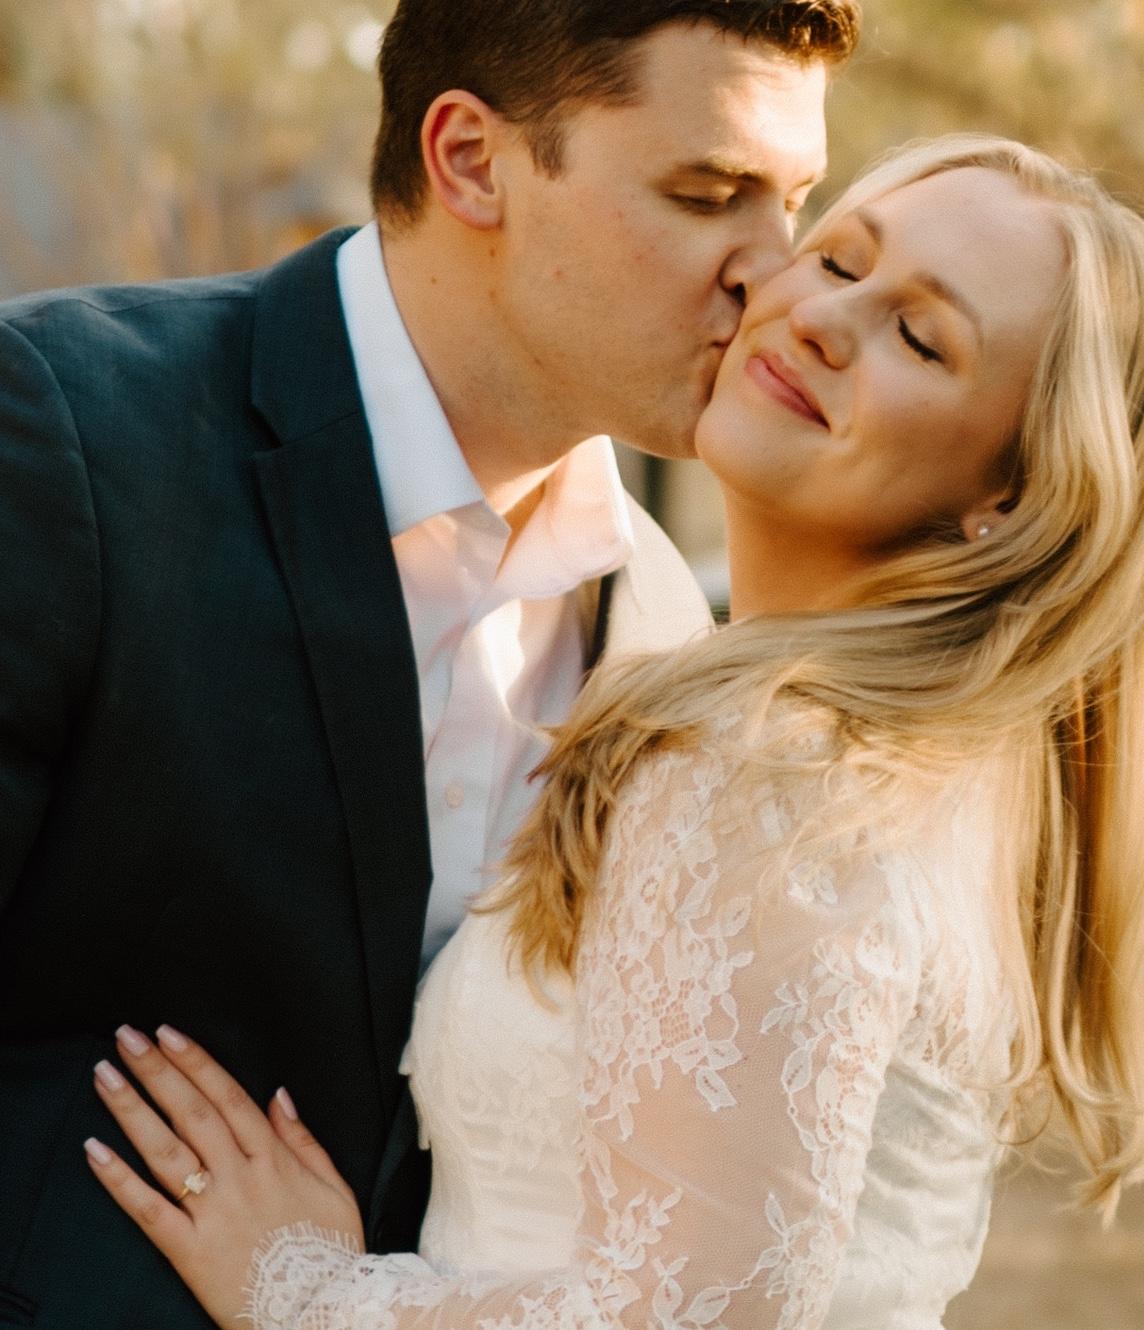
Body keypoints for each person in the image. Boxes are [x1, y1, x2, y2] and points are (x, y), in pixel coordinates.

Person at [83, 135, 1144, 1330]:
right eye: (838, 260)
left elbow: (689, 1314)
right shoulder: (930, 764)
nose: (825, 320)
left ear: (1011, 497)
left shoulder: (770, 765)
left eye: (920, 338)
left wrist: (302, 1289)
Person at [0, 3, 858, 1326]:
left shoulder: (655, 620)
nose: (776, 276)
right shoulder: (64, 432)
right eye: (707, 195)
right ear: (470, 160)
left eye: (792, 204)